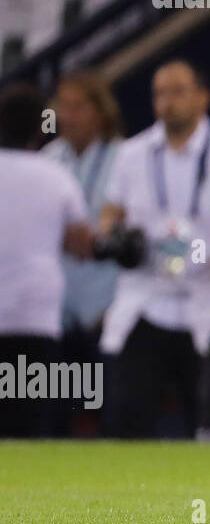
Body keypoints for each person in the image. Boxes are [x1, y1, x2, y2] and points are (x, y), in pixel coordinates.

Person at [99, 60, 210, 438]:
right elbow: (109, 215)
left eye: (177, 91)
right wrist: (116, 237)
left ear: (203, 97)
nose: (167, 102)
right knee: (127, 422)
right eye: (159, 93)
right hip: (148, 299)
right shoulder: (131, 154)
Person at [0, 84, 98, 436]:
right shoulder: (57, 177)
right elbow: (82, 245)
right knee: (26, 421)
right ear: (40, 127)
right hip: (33, 316)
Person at [42, 70, 124, 433]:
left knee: (118, 419)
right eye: (63, 106)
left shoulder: (127, 158)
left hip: (107, 310)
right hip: (55, 314)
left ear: (101, 112)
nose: (68, 116)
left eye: (78, 107)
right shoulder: (46, 161)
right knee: (49, 423)